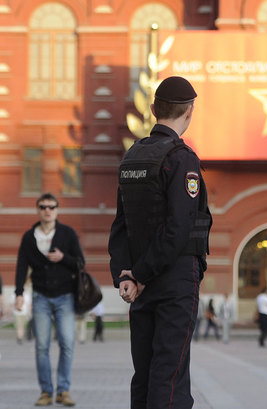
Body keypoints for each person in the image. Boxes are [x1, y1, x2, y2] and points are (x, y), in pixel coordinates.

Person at [108, 75, 212, 409]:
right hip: (173, 281)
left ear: (153, 109)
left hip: (140, 284)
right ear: (190, 111)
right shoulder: (182, 159)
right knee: (170, 376)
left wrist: (126, 275)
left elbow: (120, 226)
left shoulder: (132, 157)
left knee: (145, 374)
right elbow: (178, 228)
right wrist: (139, 274)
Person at [14, 192, 85, 407]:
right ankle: (46, 391)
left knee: (67, 343)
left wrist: (63, 258)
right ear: (38, 210)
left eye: (51, 207)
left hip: (65, 297)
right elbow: (21, 266)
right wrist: (18, 294)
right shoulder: (29, 236)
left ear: (57, 210)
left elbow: (80, 263)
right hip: (40, 297)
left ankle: (63, 390)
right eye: (43, 207)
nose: (47, 210)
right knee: (41, 346)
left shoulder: (67, 233)